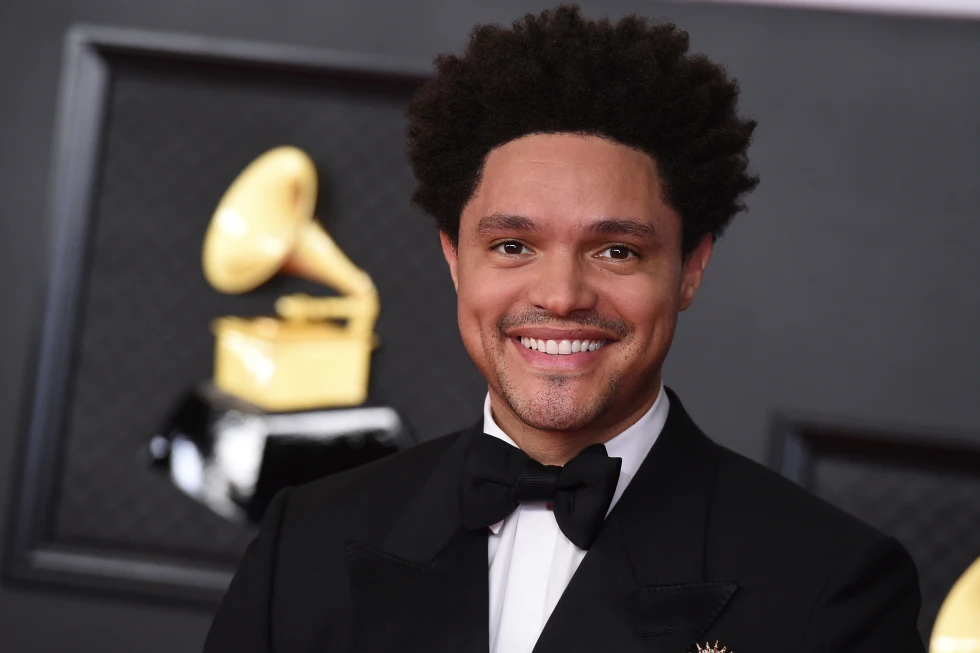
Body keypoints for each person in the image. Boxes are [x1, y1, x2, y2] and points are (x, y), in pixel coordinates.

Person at [202, 5, 925, 652]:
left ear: (691, 268)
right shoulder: (306, 538)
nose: (560, 294)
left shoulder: (833, 582)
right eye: (513, 246)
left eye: (617, 251)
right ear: (455, 258)